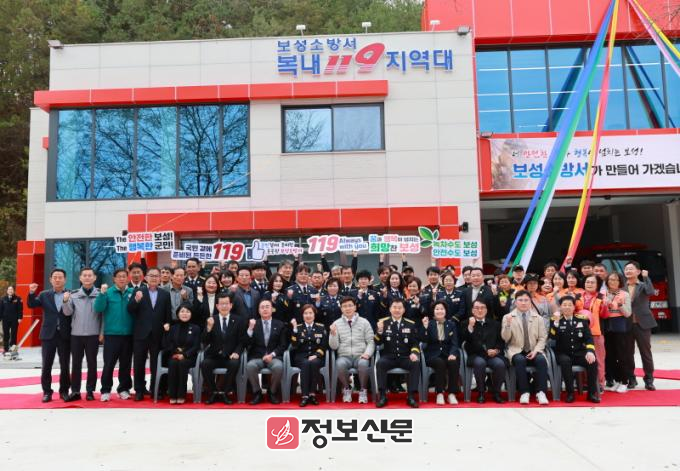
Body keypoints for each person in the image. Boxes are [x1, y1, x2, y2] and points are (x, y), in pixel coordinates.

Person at [127, 267, 173, 401]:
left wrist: (167, 324)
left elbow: (168, 315)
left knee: (155, 364)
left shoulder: (165, 294)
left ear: (160, 278)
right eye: (151, 275)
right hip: (140, 334)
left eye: (156, 276)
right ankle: (139, 390)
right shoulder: (139, 291)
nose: (154, 278)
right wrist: (136, 300)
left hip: (158, 334)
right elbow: (130, 309)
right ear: (146, 278)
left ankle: (155, 389)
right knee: (139, 363)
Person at [28, 269, 72, 403]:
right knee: (46, 365)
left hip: (65, 335)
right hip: (48, 335)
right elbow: (31, 304)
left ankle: (64, 391)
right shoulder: (44, 295)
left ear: (65, 279)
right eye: (55, 277)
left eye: (60, 277)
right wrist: (31, 293)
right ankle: (47, 392)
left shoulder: (70, 294)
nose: (57, 279)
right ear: (50, 280)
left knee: (65, 365)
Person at [501, 290, 550, 405]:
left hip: (534, 349)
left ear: (530, 302)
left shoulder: (538, 318)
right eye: (520, 300)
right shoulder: (508, 317)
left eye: (526, 300)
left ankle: (541, 392)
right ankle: (524, 392)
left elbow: (542, 338)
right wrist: (508, 325)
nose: (523, 303)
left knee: (541, 360)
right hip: (516, 350)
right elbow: (505, 338)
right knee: (520, 360)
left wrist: (536, 351)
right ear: (515, 302)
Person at [549, 296, 600, 403]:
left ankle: (592, 393)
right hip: (563, 353)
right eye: (564, 305)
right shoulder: (555, 320)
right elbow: (553, 337)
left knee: (592, 361)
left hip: (579, 352)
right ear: (560, 307)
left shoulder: (582, 319)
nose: (567, 307)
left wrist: (590, 351)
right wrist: (556, 323)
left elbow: (588, 338)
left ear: (574, 307)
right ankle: (570, 393)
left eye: (570, 305)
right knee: (565, 361)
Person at [95, 269, 134, 402]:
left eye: (124, 276)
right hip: (111, 334)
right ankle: (105, 390)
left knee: (126, 364)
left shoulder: (132, 292)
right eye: (119, 277)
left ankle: (123, 389)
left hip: (128, 334)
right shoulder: (108, 292)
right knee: (109, 364)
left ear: (127, 278)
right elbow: (98, 308)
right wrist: (101, 294)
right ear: (114, 279)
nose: (122, 279)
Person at [61, 268, 100, 402]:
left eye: (90, 275)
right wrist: (65, 301)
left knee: (92, 364)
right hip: (76, 335)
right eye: (85, 275)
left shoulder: (100, 294)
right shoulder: (73, 295)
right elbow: (67, 313)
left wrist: (101, 333)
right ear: (80, 278)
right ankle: (75, 391)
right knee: (76, 364)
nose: (87, 277)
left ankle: (90, 391)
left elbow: (103, 316)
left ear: (94, 278)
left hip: (93, 335)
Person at [201, 292, 246, 405]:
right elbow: (204, 340)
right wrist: (209, 328)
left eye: (226, 303)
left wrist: (237, 352)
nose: (224, 306)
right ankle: (213, 392)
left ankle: (225, 392)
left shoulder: (239, 320)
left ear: (231, 305)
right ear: (217, 306)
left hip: (230, 355)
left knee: (234, 364)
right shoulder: (211, 319)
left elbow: (242, 341)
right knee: (205, 364)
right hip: (214, 355)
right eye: (221, 304)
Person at [375, 299, 420, 408]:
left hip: (405, 356)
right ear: (390, 309)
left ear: (404, 310)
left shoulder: (410, 324)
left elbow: (415, 343)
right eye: (394, 307)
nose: (397, 310)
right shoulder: (383, 322)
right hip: (389, 356)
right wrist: (379, 332)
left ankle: (411, 396)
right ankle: (382, 396)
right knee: (380, 364)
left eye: (400, 308)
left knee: (415, 363)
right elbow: (377, 342)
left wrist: (414, 353)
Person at [328, 297, 375, 404]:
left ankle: (363, 390)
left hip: (361, 355)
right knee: (340, 364)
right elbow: (334, 346)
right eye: (344, 306)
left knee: (363, 364)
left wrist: (367, 354)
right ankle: (347, 388)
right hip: (344, 356)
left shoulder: (364, 322)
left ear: (355, 307)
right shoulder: (336, 323)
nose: (347, 308)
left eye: (350, 305)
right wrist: (333, 334)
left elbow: (371, 341)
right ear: (341, 309)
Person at [464, 300, 507, 403]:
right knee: (480, 363)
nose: (480, 310)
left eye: (482, 307)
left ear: (486, 310)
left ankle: (496, 393)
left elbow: (501, 341)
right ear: (472, 310)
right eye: (477, 308)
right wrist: (470, 327)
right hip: (476, 355)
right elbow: (465, 340)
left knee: (500, 364)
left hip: (492, 355)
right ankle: (481, 393)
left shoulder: (495, 324)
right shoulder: (466, 323)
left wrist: (496, 350)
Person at [245, 299, 287, 405]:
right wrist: (250, 329)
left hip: (274, 357)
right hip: (257, 357)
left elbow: (283, 345)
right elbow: (246, 344)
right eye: (262, 307)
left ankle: (272, 392)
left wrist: (272, 355)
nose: (265, 309)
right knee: (250, 366)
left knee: (278, 367)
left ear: (272, 309)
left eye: (267, 307)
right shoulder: (254, 324)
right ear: (259, 311)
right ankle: (257, 393)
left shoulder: (280, 324)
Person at [624, 261, 657, 390]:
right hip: (626, 324)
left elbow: (651, 292)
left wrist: (646, 277)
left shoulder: (643, 285)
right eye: (626, 269)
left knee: (645, 352)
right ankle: (631, 378)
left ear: (638, 271)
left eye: (631, 269)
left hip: (642, 323)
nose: (628, 271)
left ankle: (649, 379)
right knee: (628, 353)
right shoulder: (621, 287)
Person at [420, 301, 460, 405]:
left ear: (445, 311)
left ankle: (452, 393)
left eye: (442, 309)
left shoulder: (451, 324)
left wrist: (453, 353)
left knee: (453, 362)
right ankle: (439, 393)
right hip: (432, 355)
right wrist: (425, 328)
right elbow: (423, 341)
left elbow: (455, 343)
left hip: (447, 353)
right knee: (440, 363)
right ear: (433, 311)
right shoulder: (429, 323)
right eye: (437, 309)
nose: (439, 311)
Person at [290, 304, 328, 407]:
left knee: (314, 363)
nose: (308, 315)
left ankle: (312, 394)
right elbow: (294, 345)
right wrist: (294, 330)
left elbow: (324, 344)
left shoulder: (321, 327)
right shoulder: (298, 328)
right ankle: (305, 395)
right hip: (301, 356)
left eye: (310, 313)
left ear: (314, 315)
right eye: (305, 313)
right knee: (306, 363)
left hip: (316, 356)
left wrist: (316, 355)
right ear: (302, 315)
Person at [163, 303, 201, 404]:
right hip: (175, 355)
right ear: (178, 314)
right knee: (173, 363)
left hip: (190, 357)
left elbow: (196, 346)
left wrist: (184, 355)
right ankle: (172, 394)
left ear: (191, 314)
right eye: (182, 311)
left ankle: (181, 394)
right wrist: (166, 332)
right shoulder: (173, 328)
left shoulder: (196, 328)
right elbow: (168, 344)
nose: (185, 314)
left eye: (187, 312)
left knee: (182, 363)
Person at [604, 272, 633, 393]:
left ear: (620, 282)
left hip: (620, 326)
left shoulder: (624, 294)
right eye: (610, 279)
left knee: (622, 355)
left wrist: (620, 304)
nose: (613, 282)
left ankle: (625, 381)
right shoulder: (603, 294)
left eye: (615, 280)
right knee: (610, 356)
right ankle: (617, 380)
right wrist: (605, 305)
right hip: (606, 326)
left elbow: (628, 313)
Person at [582, 274, 609, 392]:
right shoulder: (578, 296)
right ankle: (585, 383)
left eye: (592, 282)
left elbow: (605, 315)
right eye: (587, 282)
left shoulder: (601, 297)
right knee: (583, 358)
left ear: (597, 285)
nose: (589, 284)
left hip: (596, 332)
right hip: (580, 333)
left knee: (598, 359)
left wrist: (605, 305)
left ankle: (600, 383)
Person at [1, 286, 23, 352]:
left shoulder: (18, 298)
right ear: (7, 291)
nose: (10, 290)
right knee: (6, 334)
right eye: (9, 289)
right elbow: (1, 309)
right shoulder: (3, 299)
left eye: (11, 289)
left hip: (14, 319)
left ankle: (13, 349)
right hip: (5, 319)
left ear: (13, 291)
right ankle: (6, 349)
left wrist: (20, 317)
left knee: (14, 334)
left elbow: (20, 309)